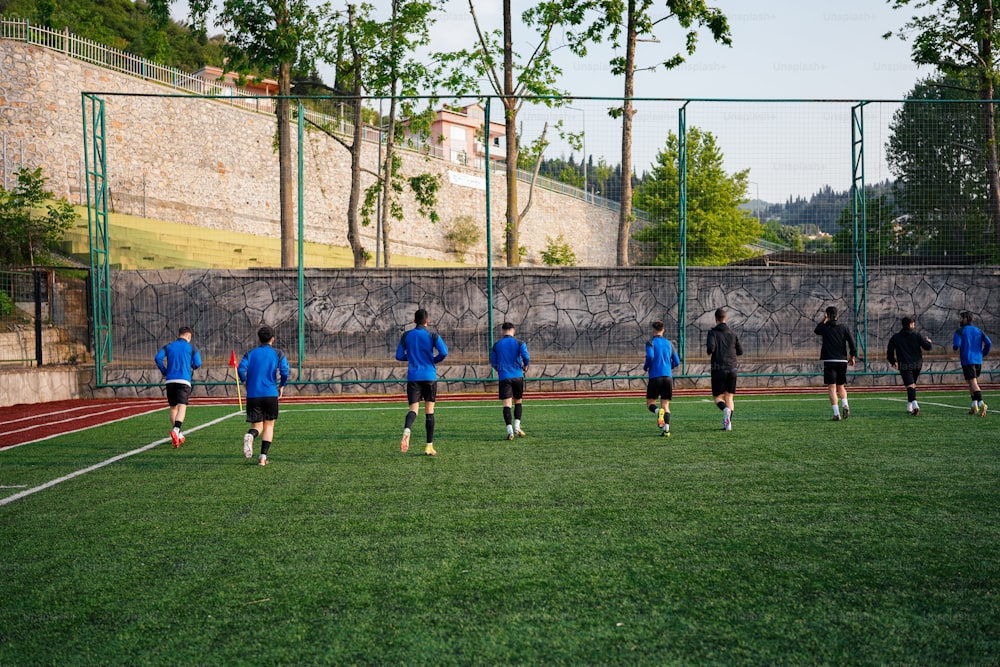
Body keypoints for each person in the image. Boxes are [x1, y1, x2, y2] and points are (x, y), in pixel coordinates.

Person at [396, 308, 448, 456]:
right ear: (427, 321)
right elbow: (444, 352)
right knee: (429, 412)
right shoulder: (432, 335)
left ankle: (407, 429)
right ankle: (428, 446)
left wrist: (412, 357)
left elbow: (399, 356)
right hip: (429, 376)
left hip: (413, 377)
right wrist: (434, 360)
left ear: (414, 321)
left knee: (413, 410)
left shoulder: (406, 335)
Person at [237, 325, 290, 466]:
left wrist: (244, 382)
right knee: (269, 426)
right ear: (273, 339)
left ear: (258, 338)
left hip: (253, 395)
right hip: (270, 394)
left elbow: (241, 369)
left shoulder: (250, 353)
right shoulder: (278, 353)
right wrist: (282, 385)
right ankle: (262, 457)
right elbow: (285, 371)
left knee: (257, 426)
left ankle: (251, 435)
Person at [154, 326, 202, 447]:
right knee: (182, 406)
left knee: (173, 408)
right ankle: (176, 430)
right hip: (183, 380)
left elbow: (158, 358)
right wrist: (191, 366)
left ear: (179, 334)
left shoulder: (168, 346)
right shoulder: (192, 347)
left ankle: (178, 434)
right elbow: (198, 363)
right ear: (189, 336)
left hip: (170, 380)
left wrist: (164, 371)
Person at [814, 306, 857, 421]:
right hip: (842, 361)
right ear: (837, 315)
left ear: (827, 315)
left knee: (832, 388)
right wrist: (852, 356)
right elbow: (852, 342)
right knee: (841, 386)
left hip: (829, 361)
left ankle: (836, 414)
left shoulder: (825, 327)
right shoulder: (844, 327)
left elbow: (816, 330)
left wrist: (824, 320)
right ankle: (845, 405)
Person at [490, 322, 530, 440]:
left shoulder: (496, 345)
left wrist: (499, 369)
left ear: (502, 331)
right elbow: (526, 357)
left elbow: (493, 362)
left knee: (507, 404)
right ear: (514, 330)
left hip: (504, 376)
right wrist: (525, 366)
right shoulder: (519, 343)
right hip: (518, 375)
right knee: (518, 401)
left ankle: (509, 431)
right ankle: (517, 426)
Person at [886, 316, 933, 416]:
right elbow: (927, 347)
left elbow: (890, 351)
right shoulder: (917, 335)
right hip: (917, 364)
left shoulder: (896, 337)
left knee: (910, 385)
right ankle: (909, 406)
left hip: (904, 364)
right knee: (912, 385)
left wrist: (893, 361)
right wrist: (929, 342)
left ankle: (915, 406)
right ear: (911, 324)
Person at [706, 307, 743, 431]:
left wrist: (709, 350)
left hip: (718, 369)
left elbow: (711, 348)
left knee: (717, 398)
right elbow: (740, 351)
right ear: (725, 318)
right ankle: (728, 424)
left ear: (716, 319)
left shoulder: (712, 333)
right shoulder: (733, 333)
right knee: (729, 397)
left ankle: (725, 410)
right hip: (732, 368)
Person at [644, 320, 681, 437]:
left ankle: (657, 412)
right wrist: (669, 367)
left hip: (655, 376)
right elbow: (677, 361)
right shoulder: (669, 344)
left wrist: (646, 366)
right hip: (668, 377)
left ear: (652, 330)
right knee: (665, 405)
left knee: (650, 403)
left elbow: (650, 356)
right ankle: (666, 430)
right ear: (663, 330)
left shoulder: (651, 343)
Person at [952, 310, 992, 416]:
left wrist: (955, 347)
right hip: (978, 360)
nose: (959, 320)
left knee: (973, 382)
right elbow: (989, 343)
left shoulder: (960, 331)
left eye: (961, 318)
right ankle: (974, 406)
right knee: (971, 382)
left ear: (965, 319)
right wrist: (982, 353)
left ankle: (982, 403)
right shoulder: (979, 330)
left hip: (967, 359)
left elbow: (956, 344)